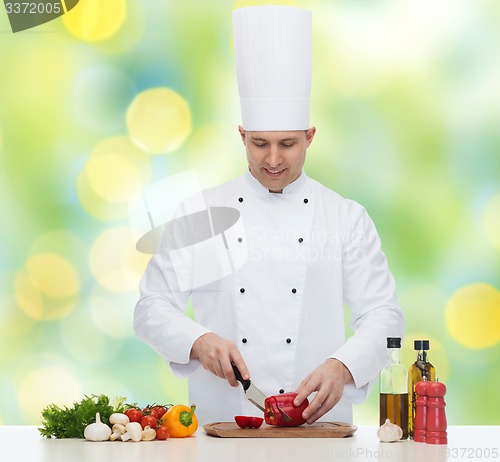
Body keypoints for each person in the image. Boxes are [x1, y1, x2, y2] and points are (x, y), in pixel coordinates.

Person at [134, 5, 404, 426]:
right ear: (242, 135)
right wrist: (198, 340)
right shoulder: (201, 212)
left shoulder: (346, 217)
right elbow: (151, 307)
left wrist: (344, 366)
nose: (273, 159)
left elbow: (384, 315)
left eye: (288, 144)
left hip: (321, 429)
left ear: (310, 137)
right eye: (259, 143)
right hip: (223, 426)